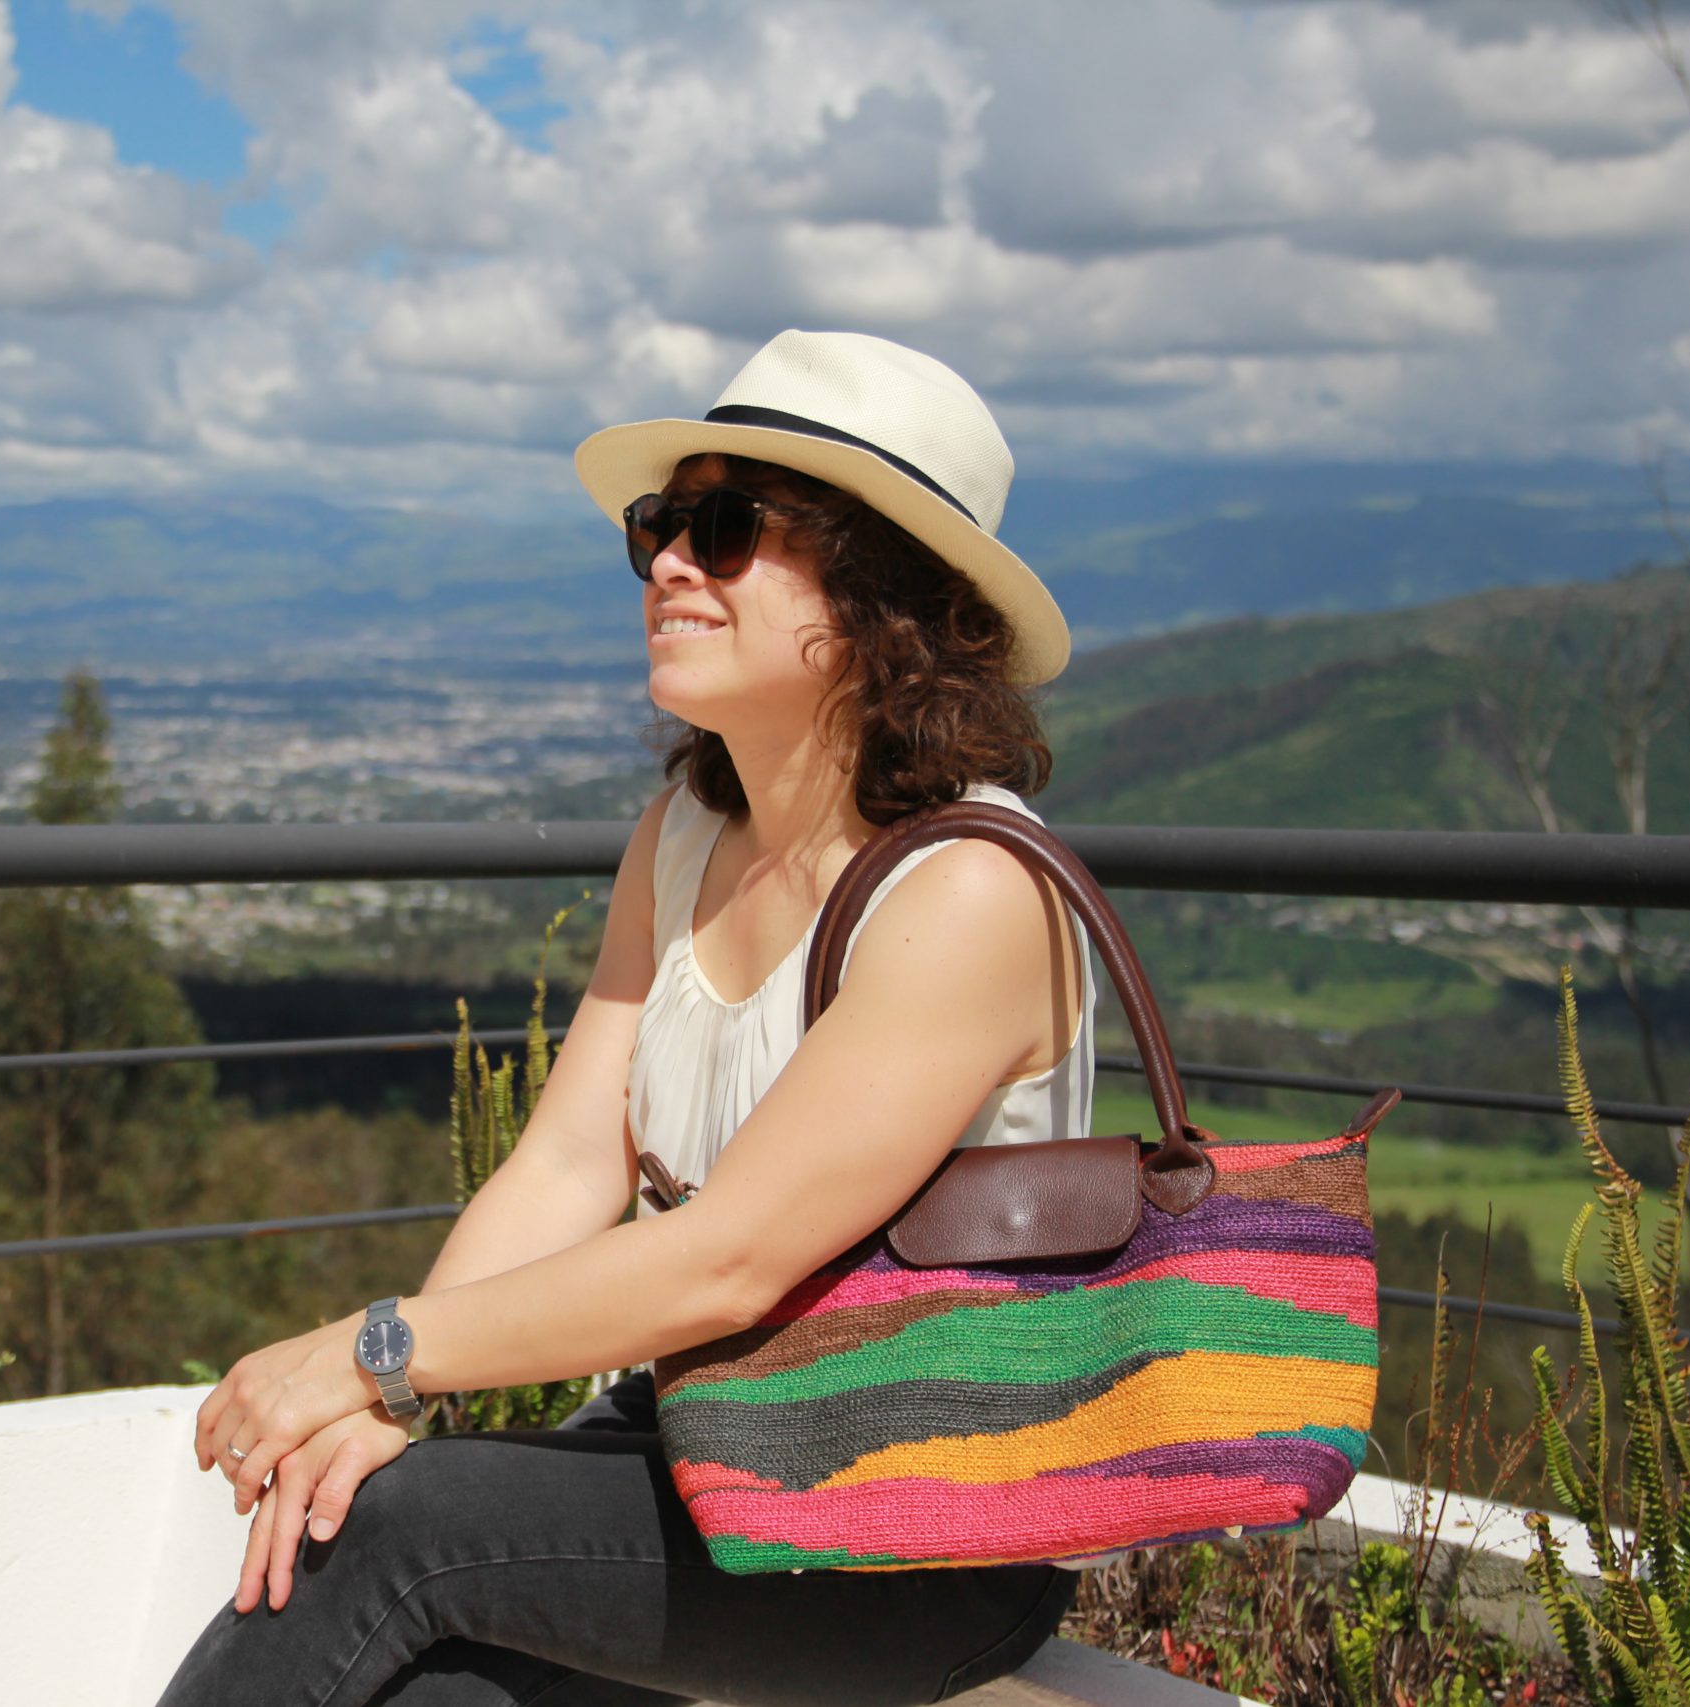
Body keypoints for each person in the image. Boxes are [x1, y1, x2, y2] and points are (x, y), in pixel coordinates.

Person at [159, 330, 1098, 1707]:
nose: (667, 564)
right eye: (661, 525)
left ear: (882, 589)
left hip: (916, 1520)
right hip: (705, 1437)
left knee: (394, 1528)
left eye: (727, 531)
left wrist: (375, 1354)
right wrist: (397, 1397)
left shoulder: (968, 892)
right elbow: (565, 1165)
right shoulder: (684, 839)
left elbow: (727, 1264)